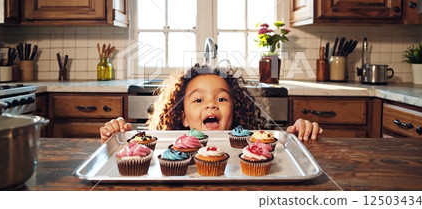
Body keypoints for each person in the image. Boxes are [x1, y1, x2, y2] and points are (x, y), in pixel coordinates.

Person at [100, 64, 323, 143]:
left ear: (236, 113)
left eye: (222, 98)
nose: (211, 105)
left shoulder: (254, 147)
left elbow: (285, 144)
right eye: (198, 99)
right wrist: (116, 135)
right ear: (183, 117)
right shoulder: (164, 149)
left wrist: (301, 133)